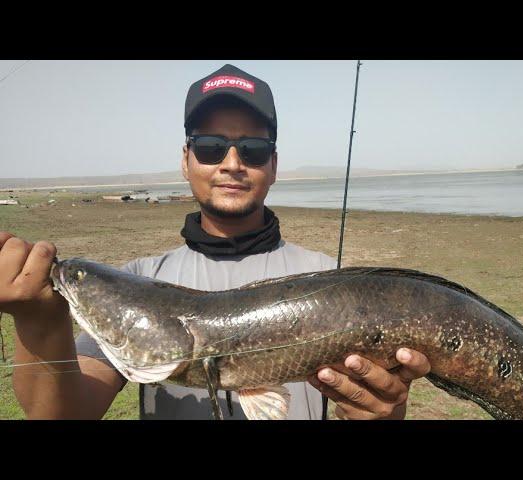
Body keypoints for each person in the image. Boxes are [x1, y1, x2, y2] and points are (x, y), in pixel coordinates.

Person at [2, 64, 430, 420]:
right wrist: (38, 324)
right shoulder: (136, 280)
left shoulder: (331, 281)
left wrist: (384, 412)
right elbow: (61, 414)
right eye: (209, 147)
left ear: (274, 166)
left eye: (254, 149)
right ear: (186, 160)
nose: (232, 163)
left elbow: (379, 403)